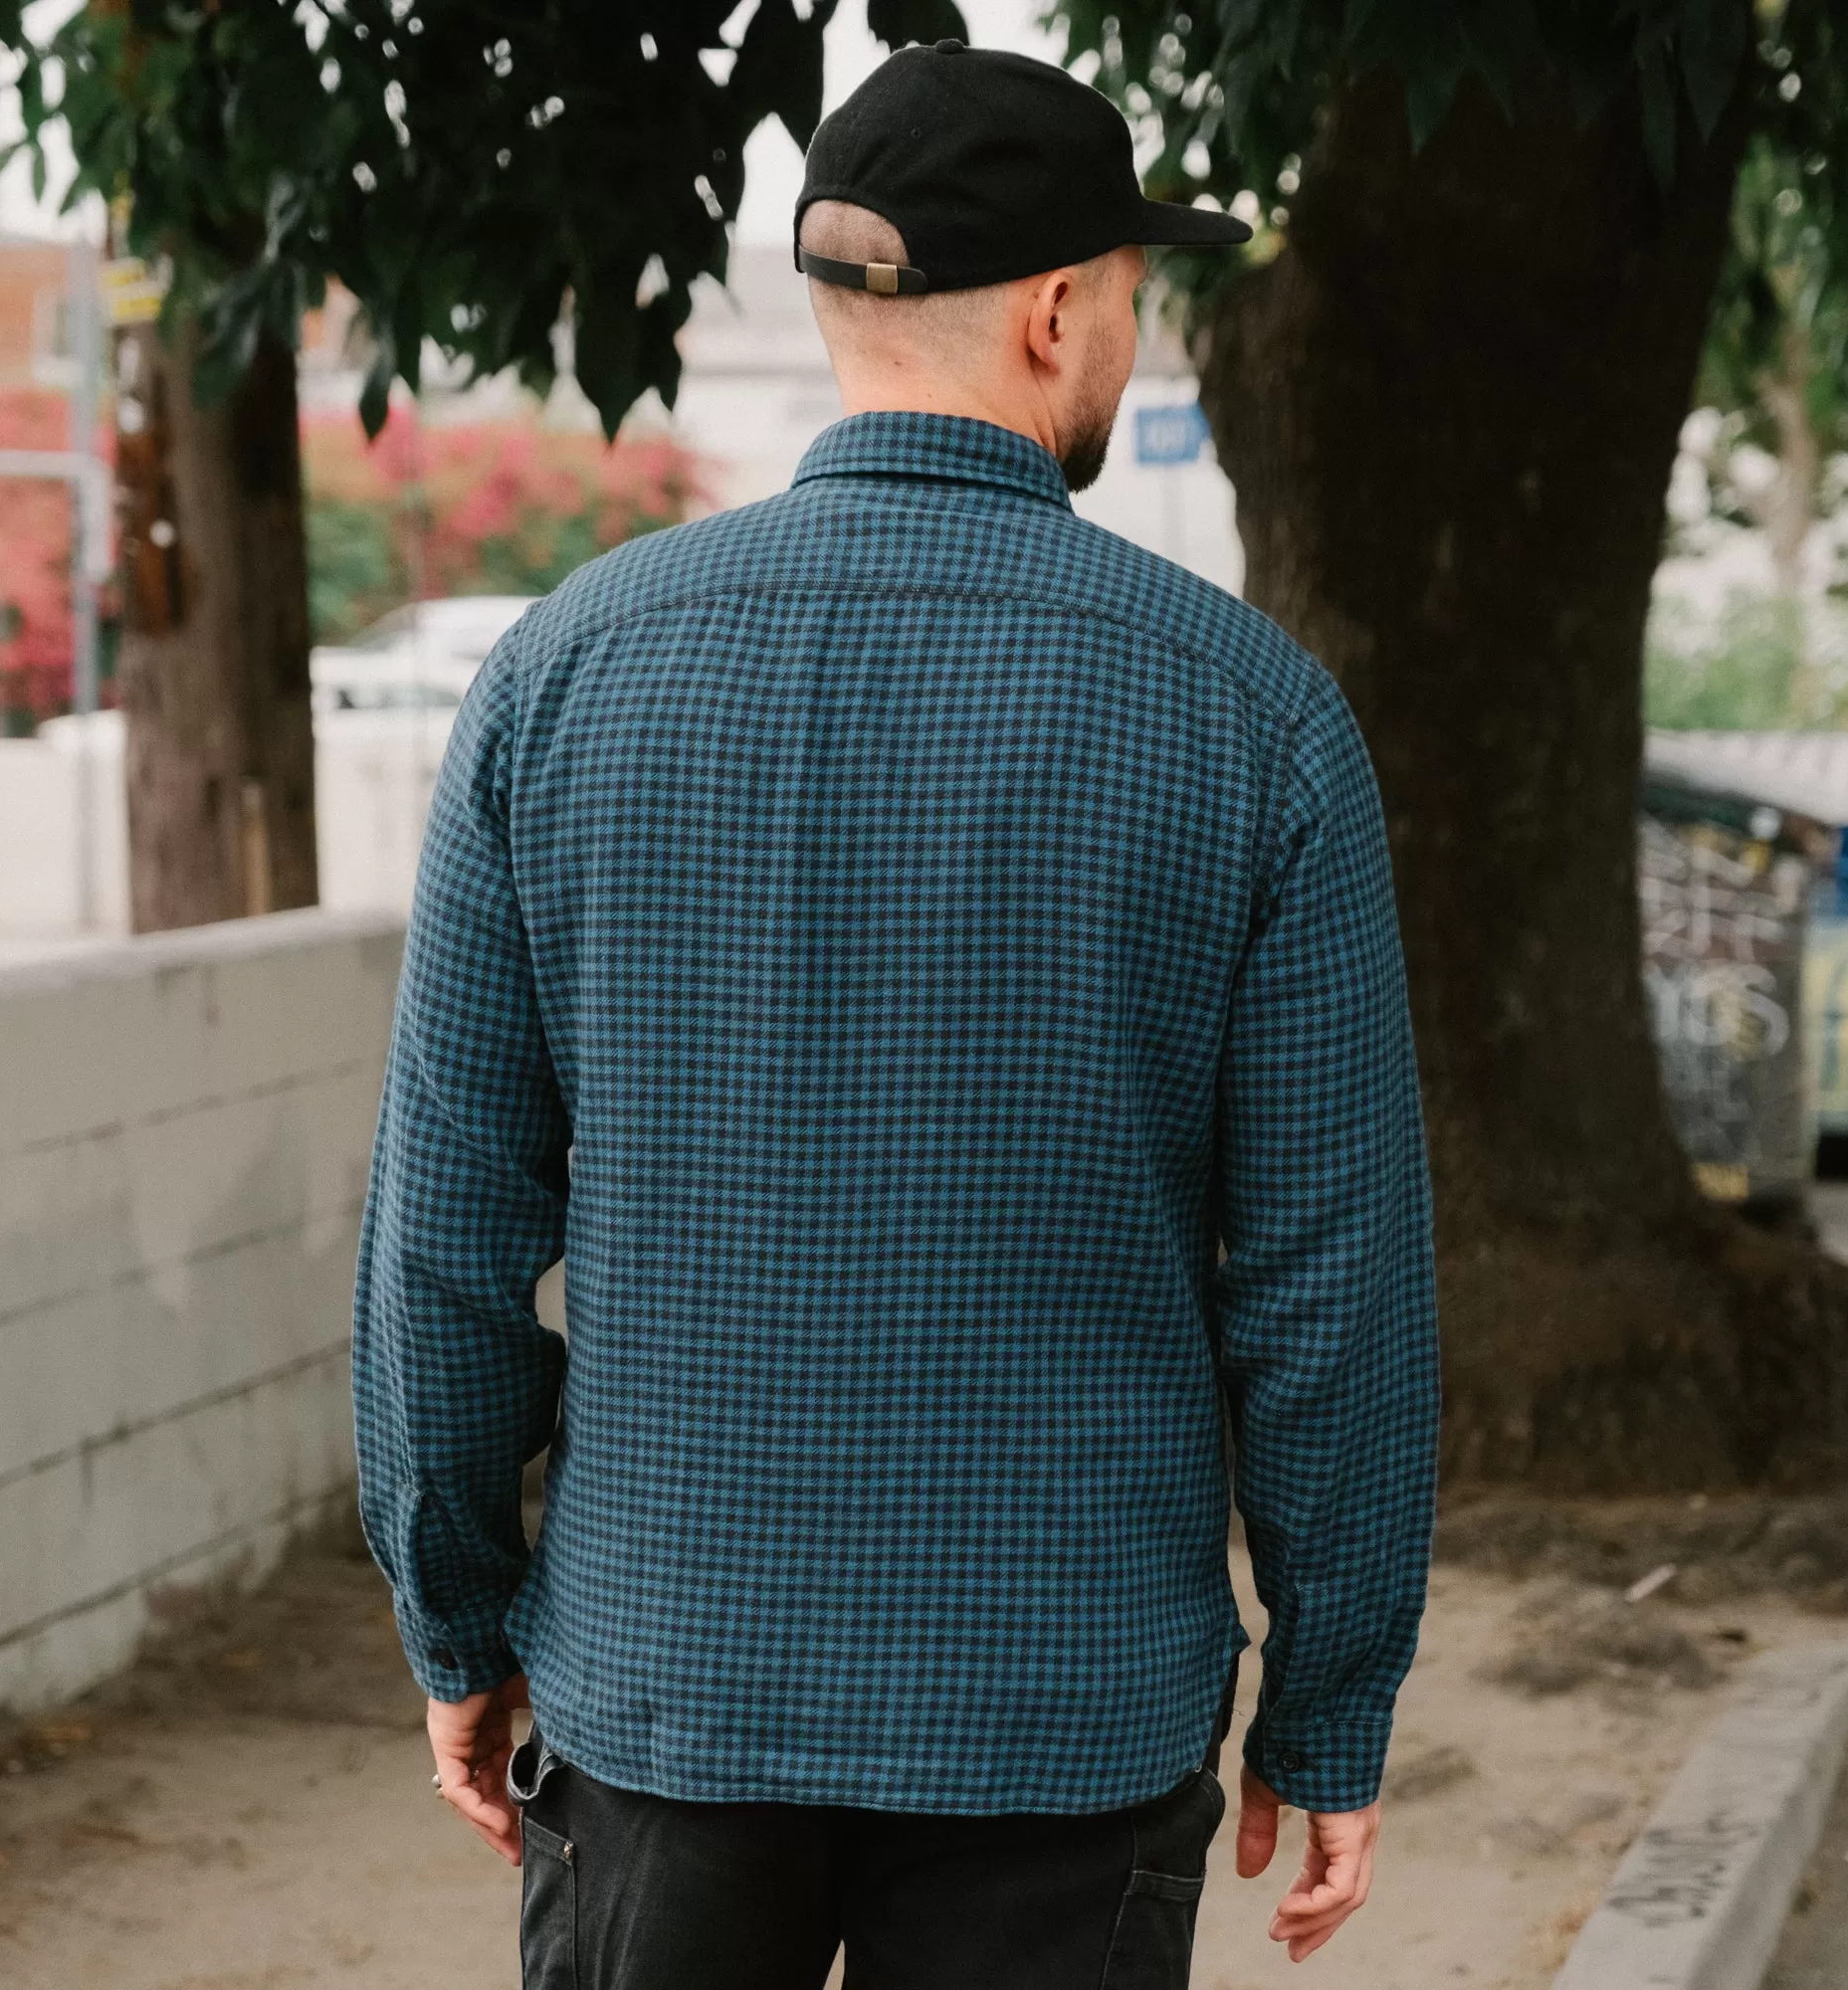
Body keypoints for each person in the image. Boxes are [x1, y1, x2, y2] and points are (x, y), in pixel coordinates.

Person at [352, 41, 1438, 1990]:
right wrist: (1328, 1705)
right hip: (1066, 1721)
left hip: (667, 1678)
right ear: (1051, 311)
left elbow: (442, 1242)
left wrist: (461, 1624)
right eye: (1126, 291)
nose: (1130, 331)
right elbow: (1329, 1285)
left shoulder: (561, 678)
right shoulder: (1253, 724)